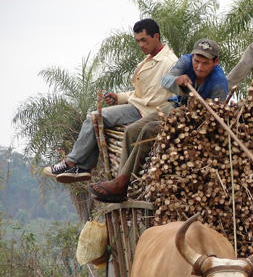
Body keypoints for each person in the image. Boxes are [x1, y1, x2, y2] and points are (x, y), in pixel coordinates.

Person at [88, 38, 228, 203]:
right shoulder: (185, 62)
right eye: (197, 61)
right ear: (192, 57)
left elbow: (213, 117)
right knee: (132, 130)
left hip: (193, 120)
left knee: (149, 131)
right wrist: (177, 80)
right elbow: (165, 80)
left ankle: (122, 183)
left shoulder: (219, 82)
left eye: (205, 63)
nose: (199, 67)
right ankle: (120, 180)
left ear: (215, 62)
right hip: (175, 107)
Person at [43, 19, 178, 184]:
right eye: (138, 41)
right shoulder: (152, 58)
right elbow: (143, 93)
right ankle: (83, 168)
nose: (141, 45)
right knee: (97, 120)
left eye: (144, 40)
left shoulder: (169, 63)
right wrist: (119, 98)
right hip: (138, 106)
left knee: (94, 117)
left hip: (144, 112)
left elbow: (154, 98)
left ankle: (71, 162)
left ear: (156, 36)